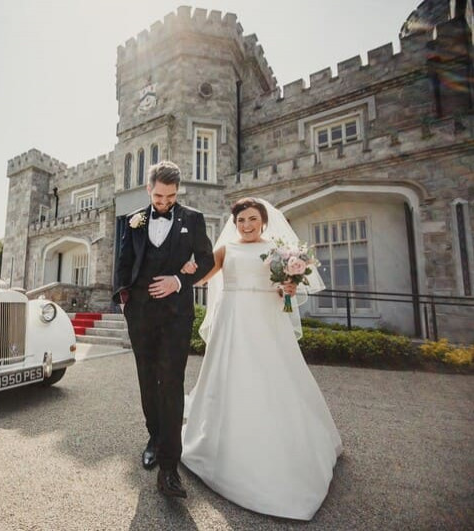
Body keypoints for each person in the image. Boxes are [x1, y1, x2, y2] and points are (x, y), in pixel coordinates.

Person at [180, 197, 342, 520]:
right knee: (230, 380)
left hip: (267, 324)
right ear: (235, 223)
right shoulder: (227, 249)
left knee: (274, 380)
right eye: (241, 220)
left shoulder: (278, 250)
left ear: (263, 220)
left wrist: (289, 287)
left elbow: (284, 290)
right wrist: (185, 268)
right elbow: (200, 276)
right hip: (232, 323)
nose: (247, 225)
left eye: (252, 219)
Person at [113, 161, 215, 498]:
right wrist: (124, 300)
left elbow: (207, 259)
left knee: (171, 382)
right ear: (148, 189)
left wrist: (179, 279)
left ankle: (170, 468)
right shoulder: (134, 220)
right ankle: (154, 437)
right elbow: (123, 262)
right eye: (159, 195)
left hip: (175, 315)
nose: (164, 202)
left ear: (177, 191)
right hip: (140, 314)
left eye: (171, 196)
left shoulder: (194, 219)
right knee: (147, 378)